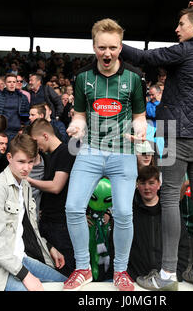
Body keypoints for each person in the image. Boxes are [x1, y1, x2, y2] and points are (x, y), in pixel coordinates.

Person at [120, 0, 193, 291]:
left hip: (175, 132)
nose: (176, 29)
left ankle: (167, 275)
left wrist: (115, 44)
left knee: (168, 199)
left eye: (181, 25)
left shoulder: (184, 50)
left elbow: (144, 56)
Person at [63, 18, 147, 292]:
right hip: (89, 150)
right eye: (101, 48)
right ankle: (83, 268)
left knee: (123, 212)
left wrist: (141, 132)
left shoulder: (134, 78)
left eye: (112, 47)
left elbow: (139, 117)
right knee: (73, 207)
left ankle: (121, 272)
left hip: (122, 152)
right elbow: (79, 114)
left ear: (121, 47)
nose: (107, 53)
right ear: (94, 46)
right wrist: (76, 126)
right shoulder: (83, 78)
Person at [0, 134, 67, 291]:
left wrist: (49, 246)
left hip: (22, 259)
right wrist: (26, 275)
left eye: (30, 162)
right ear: (9, 157)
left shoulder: (24, 185)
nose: (26, 168)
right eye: (21, 162)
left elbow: (26, 226)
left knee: (66, 284)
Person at [29, 119, 76, 277]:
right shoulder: (50, 156)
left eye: (36, 141)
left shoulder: (65, 152)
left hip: (60, 225)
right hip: (49, 223)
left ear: (45, 135)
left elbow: (56, 186)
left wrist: (29, 181)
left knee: (65, 273)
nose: (36, 146)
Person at [127, 165, 190, 285]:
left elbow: (183, 245)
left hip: (166, 280)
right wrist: (130, 276)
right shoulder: (129, 212)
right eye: (143, 183)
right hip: (135, 281)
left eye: (151, 183)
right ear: (137, 184)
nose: (147, 188)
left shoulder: (170, 211)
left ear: (159, 184)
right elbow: (116, 245)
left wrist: (176, 273)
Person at [0, 73, 30, 140]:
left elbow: (27, 115)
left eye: (14, 82)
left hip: (16, 132)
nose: (12, 84)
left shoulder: (23, 97)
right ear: (5, 83)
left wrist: (24, 130)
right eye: (9, 82)